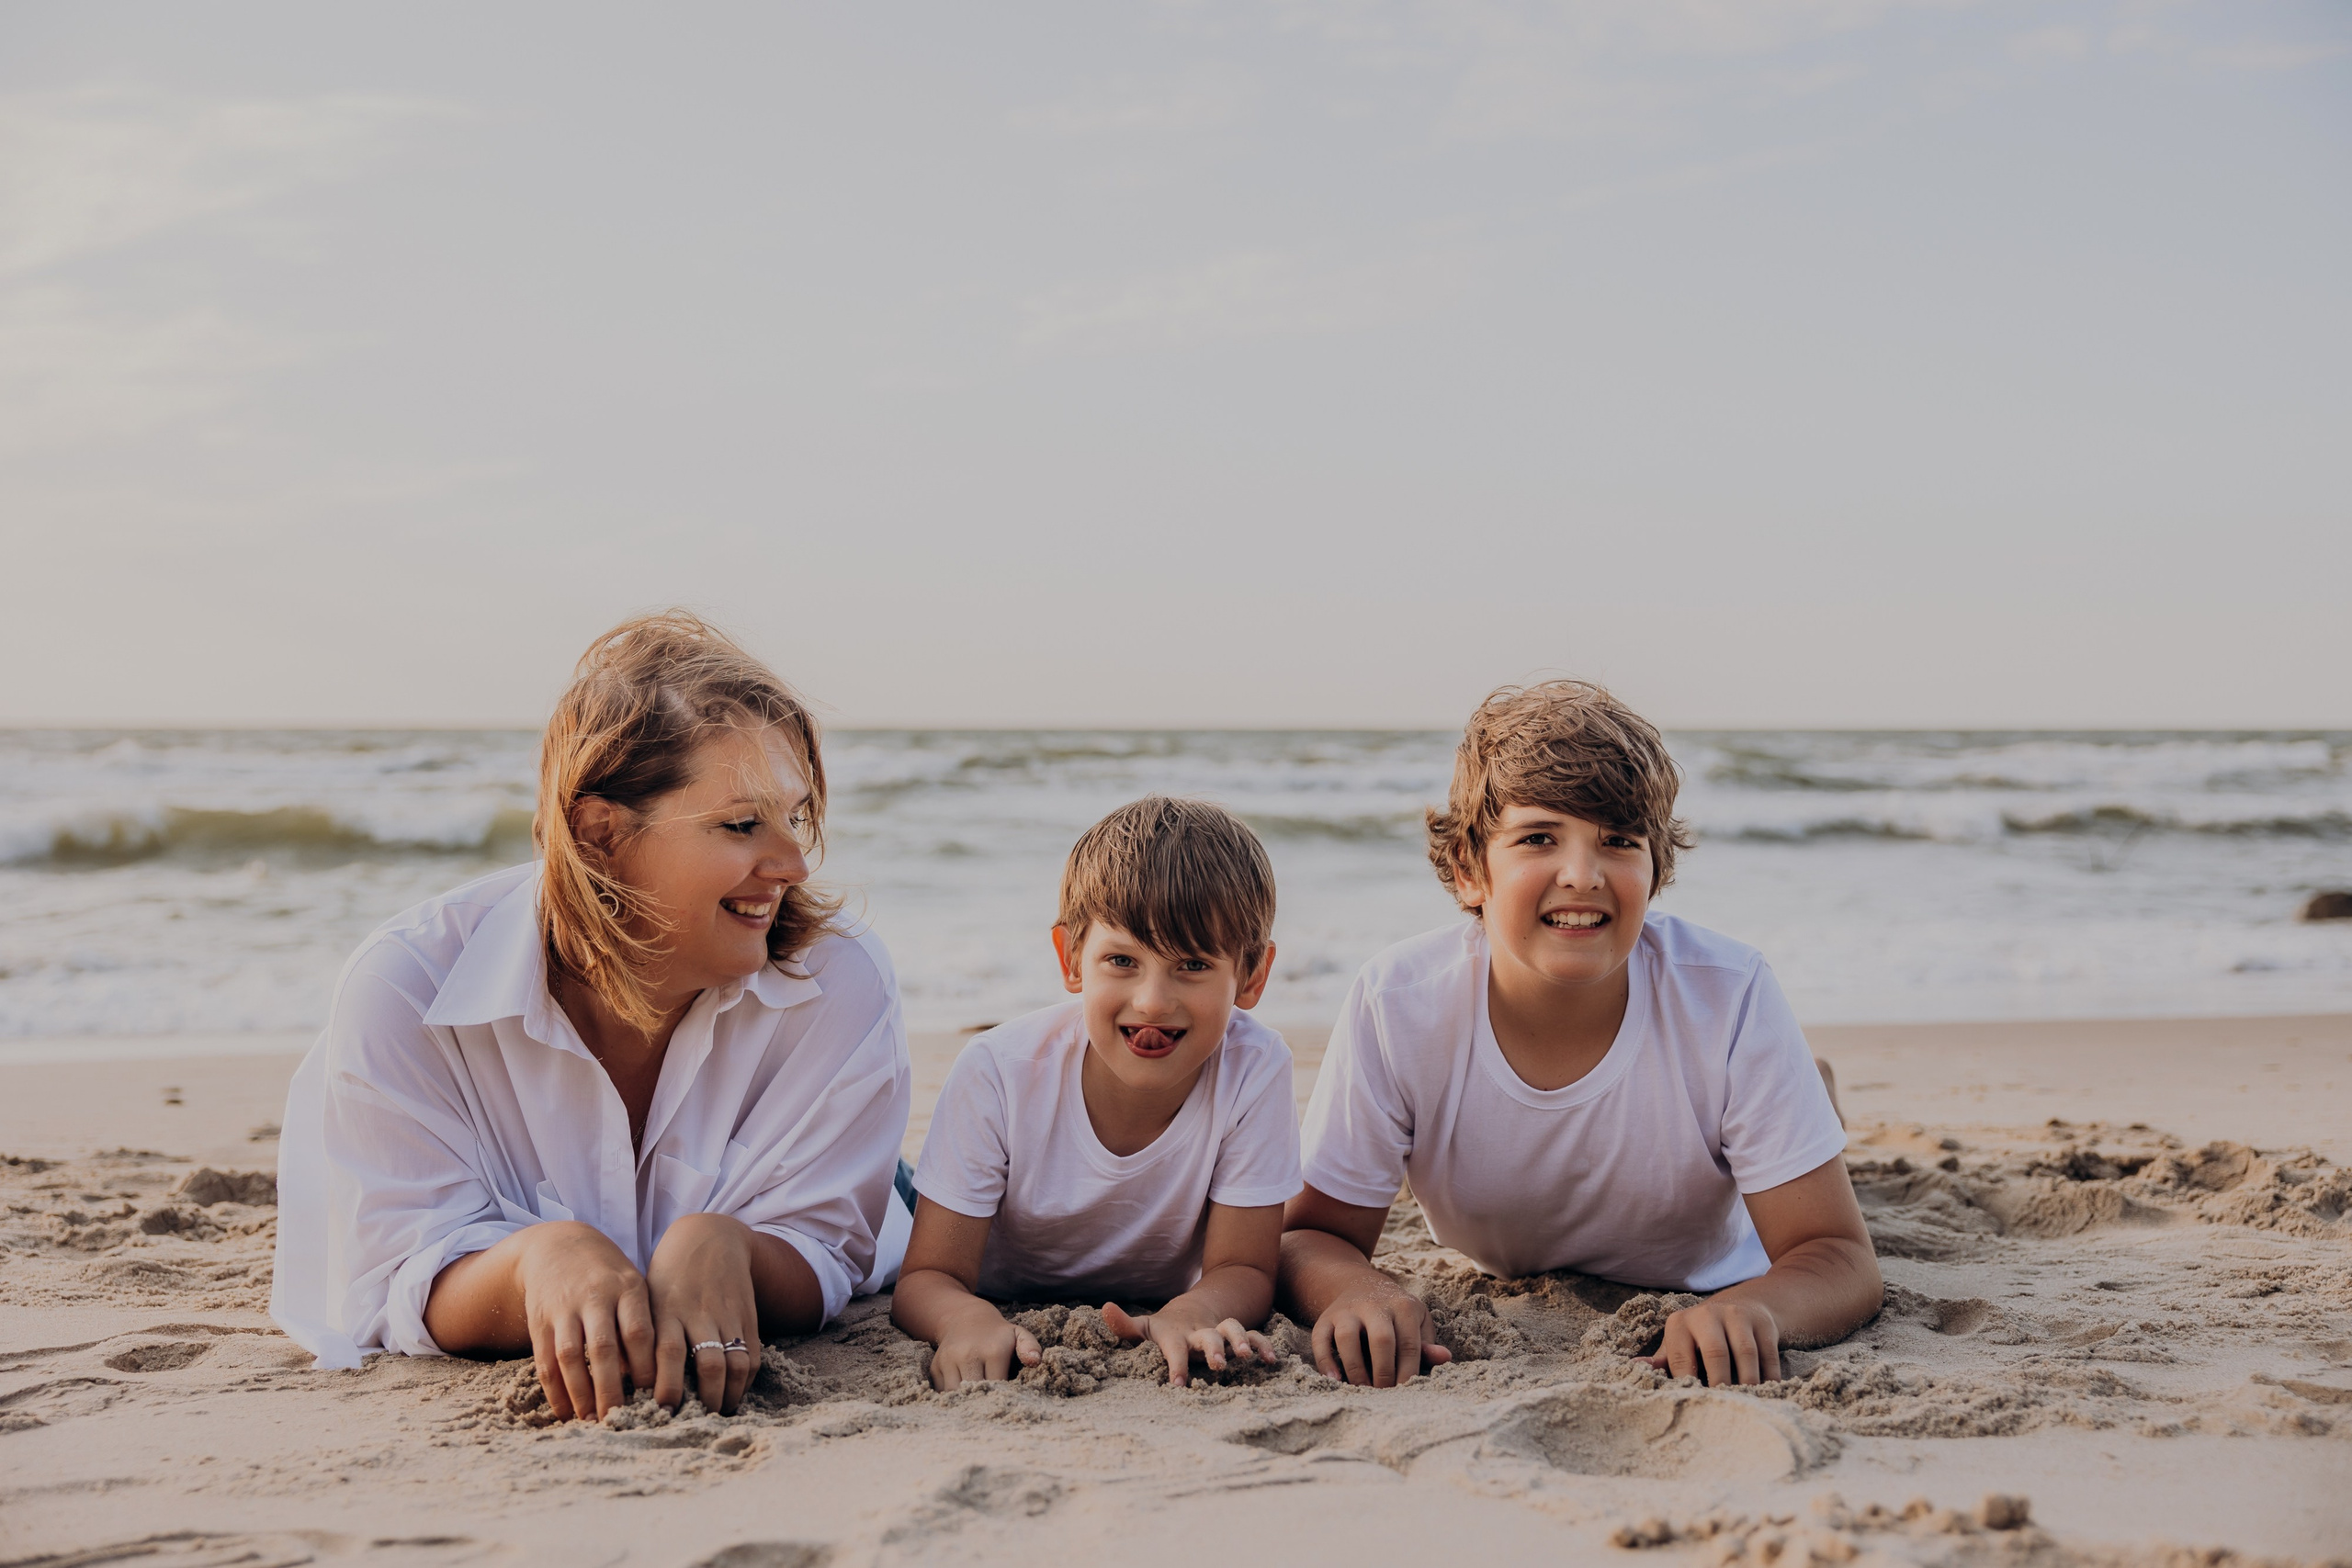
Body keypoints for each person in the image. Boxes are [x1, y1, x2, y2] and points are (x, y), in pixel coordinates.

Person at [270, 612, 912, 1423]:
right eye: (742, 823)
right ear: (601, 833)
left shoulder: (839, 979)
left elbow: (830, 1244)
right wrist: (535, 1262)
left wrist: (735, 1249)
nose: (792, 863)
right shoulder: (405, 991)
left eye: (795, 816)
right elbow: (390, 1277)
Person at [1280, 682, 1882, 1388]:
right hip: (1519, 1239)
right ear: (1471, 869)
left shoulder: (1730, 993)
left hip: (1714, 1245)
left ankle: (1806, 1094)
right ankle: (1809, 1089)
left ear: (1655, 870)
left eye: (1618, 842)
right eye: (1539, 837)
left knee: (1800, 1141)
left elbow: (1838, 1254)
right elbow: (1307, 1236)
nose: (1582, 874)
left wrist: (1754, 1309)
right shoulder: (1400, 1004)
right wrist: (1362, 1292)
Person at [892, 797, 1301, 1390]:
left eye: (1191, 963)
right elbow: (926, 1277)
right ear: (1071, 960)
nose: (1154, 1001)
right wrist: (964, 1318)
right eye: (1121, 960)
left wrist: (1194, 1309)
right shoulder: (999, 1071)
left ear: (1253, 976)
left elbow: (1243, 1267)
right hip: (936, 1222)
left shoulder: (1254, 1069)